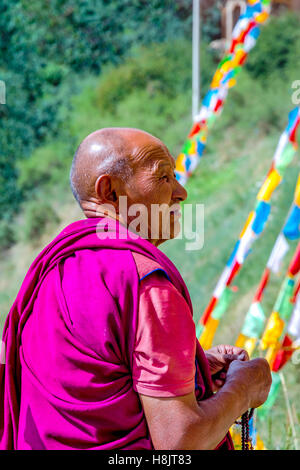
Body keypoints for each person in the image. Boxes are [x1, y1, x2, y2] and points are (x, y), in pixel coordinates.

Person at [0, 128, 271, 450]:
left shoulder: (51, 272)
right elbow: (181, 442)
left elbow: (94, 378)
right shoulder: (143, 282)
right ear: (111, 191)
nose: (181, 192)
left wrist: (194, 368)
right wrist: (243, 388)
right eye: (164, 178)